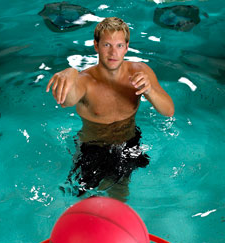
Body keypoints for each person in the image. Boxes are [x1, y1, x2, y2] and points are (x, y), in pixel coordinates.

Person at [46, 17, 174, 198]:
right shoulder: (85, 81)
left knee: (120, 193)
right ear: (96, 46)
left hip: (129, 142)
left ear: (127, 47)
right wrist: (71, 73)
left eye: (119, 45)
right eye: (107, 45)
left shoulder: (140, 72)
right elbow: (67, 100)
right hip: (92, 149)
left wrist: (150, 90)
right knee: (86, 198)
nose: (113, 52)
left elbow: (168, 111)